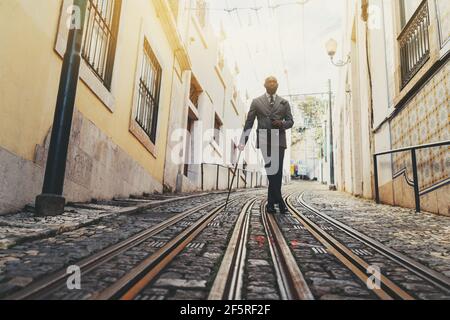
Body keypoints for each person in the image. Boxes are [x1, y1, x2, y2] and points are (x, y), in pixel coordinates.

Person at [239, 76, 294, 214]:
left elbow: (291, 121)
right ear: (264, 85)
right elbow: (249, 122)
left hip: (279, 139)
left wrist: (282, 124)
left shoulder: (284, 103)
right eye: (269, 81)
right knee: (271, 170)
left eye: (274, 81)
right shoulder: (256, 102)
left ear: (277, 84)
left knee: (278, 171)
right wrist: (242, 141)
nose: (272, 83)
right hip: (264, 138)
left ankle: (270, 204)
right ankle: (280, 201)